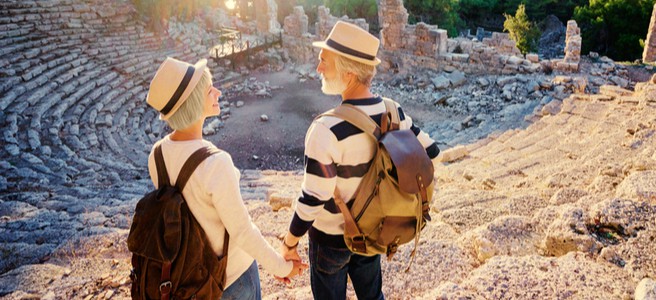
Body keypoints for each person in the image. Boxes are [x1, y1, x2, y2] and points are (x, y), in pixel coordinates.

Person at [279, 21, 441, 300]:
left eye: (324, 61)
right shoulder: (394, 111)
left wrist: (289, 241)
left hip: (331, 242)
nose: (318, 68)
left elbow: (314, 198)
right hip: (374, 230)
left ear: (349, 73)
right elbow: (432, 152)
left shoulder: (325, 129)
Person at [144, 57, 307, 299]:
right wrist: (282, 267)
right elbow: (242, 232)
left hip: (186, 276)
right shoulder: (216, 163)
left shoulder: (156, 154)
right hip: (230, 279)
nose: (218, 92)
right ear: (195, 103)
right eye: (210, 90)